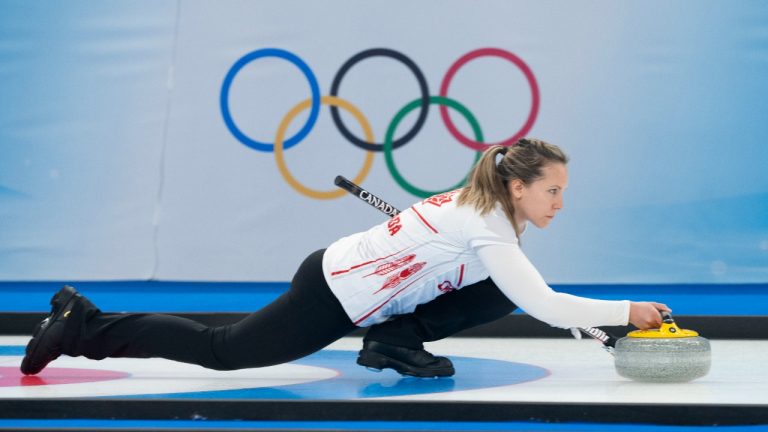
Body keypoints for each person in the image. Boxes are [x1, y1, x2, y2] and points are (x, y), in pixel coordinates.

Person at [20, 138, 670, 378]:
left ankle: (393, 340)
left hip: (371, 288)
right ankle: (85, 326)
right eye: (553, 190)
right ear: (519, 187)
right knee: (224, 351)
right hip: (334, 289)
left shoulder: (490, 216)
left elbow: (523, 292)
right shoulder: (487, 224)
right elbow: (547, 305)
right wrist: (626, 310)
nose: (561, 201)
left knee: (500, 289)